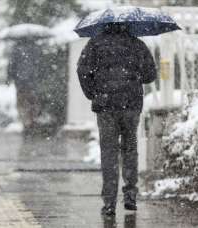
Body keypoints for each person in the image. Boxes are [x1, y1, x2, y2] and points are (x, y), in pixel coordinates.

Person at [77, 23, 157, 216]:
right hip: (130, 105)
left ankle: (109, 202)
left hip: (105, 106)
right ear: (127, 25)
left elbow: (82, 71)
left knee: (109, 152)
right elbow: (150, 75)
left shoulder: (94, 44)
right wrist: (134, 76)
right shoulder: (137, 44)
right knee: (130, 149)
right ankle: (130, 195)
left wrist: (93, 94)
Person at [7, 38, 42, 138]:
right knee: (32, 103)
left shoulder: (16, 50)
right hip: (32, 82)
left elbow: (11, 65)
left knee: (22, 104)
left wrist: (9, 77)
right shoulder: (36, 49)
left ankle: (26, 124)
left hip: (20, 83)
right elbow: (39, 64)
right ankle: (32, 122)